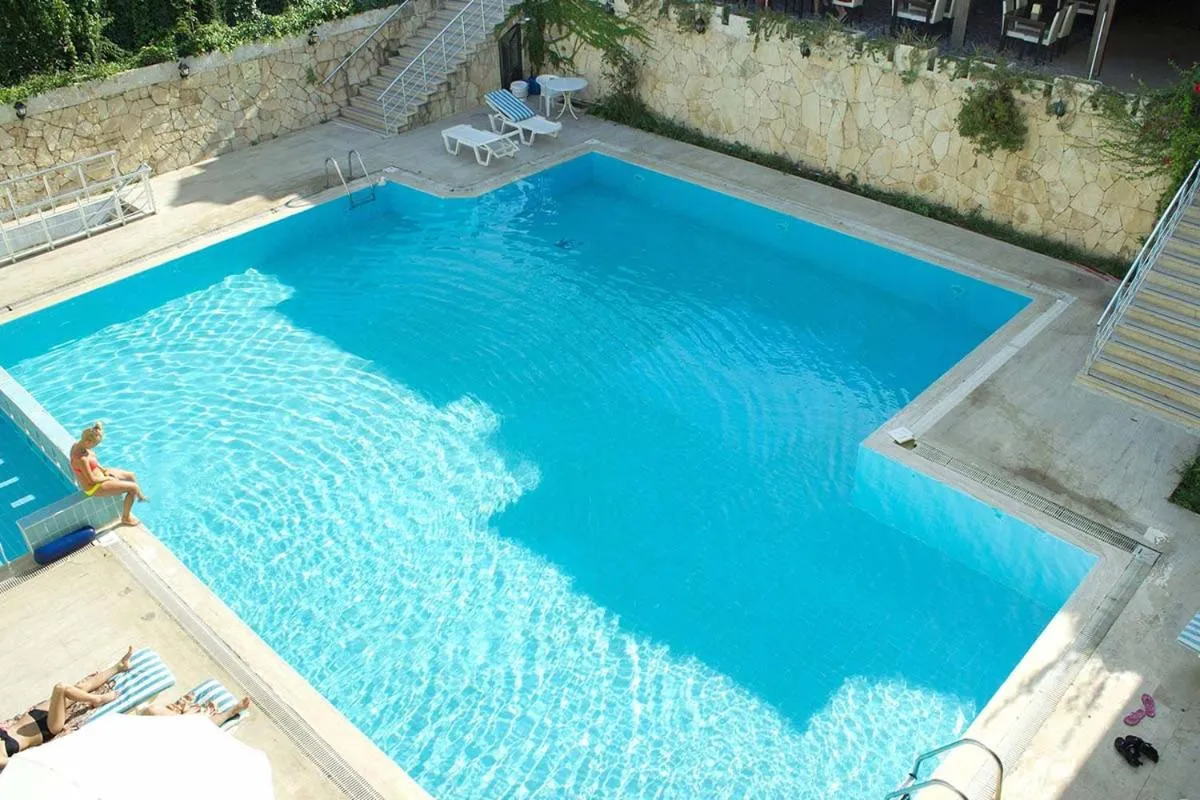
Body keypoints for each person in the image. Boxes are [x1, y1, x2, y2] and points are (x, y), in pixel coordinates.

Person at [0, 647, 133, 769]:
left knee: (78, 688)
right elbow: (22, 763)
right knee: (61, 688)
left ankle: (119, 666)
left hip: (35, 715)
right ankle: (97, 699)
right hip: (47, 727)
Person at [69, 421, 148, 526]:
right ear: (88, 442)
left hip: (101, 475)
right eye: (95, 444)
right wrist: (108, 478)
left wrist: (103, 470)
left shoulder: (78, 445)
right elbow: (92, 480)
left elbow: (93, 463)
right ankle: (126, 518)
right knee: (133, 488)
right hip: (94, 487)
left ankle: (140, 498)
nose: (95, 447)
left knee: (131, 475)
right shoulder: (81, 459)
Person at [140, 691, 251, 728]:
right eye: (180, 700)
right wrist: (187, 718)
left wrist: (232, 711)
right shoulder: (146, 710)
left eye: (186, 701)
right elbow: (152, 710)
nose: (180, 701)